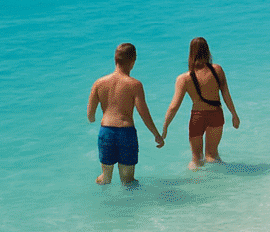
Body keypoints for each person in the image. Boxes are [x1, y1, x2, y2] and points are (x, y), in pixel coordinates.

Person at [88, 43, 164, 184]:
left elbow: (90, 116)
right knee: (128, 181)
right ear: (133, 61)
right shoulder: (135, 85)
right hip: (126, 133)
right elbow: (144, 114)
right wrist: (156, 134)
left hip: (106, 132)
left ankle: (104, 203)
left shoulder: (99, 83)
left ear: (115, 59)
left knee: (105, 178)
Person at [161, 36, 241, 170]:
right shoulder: (218, 70)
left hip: (197, 117)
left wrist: (165, 126)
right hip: (216, 115)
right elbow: (226, 94)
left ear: (191, 53)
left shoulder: (184, 78)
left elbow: (174, 106)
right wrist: (234, 114)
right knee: (213, 156)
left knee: (196, 159)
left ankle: (195, 184)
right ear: (208, 51)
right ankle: (220, 182)